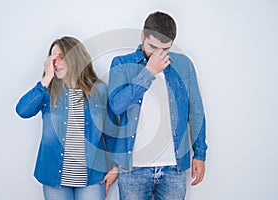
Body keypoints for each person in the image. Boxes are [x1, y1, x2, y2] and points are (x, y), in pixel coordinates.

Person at [108, 11, 208, 200]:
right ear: (142, 36)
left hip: (174, 169)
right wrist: (149, 72)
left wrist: (200, 153)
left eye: (165, 49)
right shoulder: (121, 63)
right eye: (152, 46)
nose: (158, 54)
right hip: (133, 169)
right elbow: (116, 106)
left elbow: (196, 111)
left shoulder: (184, 64)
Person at [16, 36, 118, 200]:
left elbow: (111, 133)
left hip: (91, 178)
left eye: (61, 57)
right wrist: (46, 79)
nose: (55, 62)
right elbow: (22, 110)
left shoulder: (99, 91)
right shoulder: (47, 92)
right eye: (52, 58)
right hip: (54, 178)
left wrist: (115, 167)